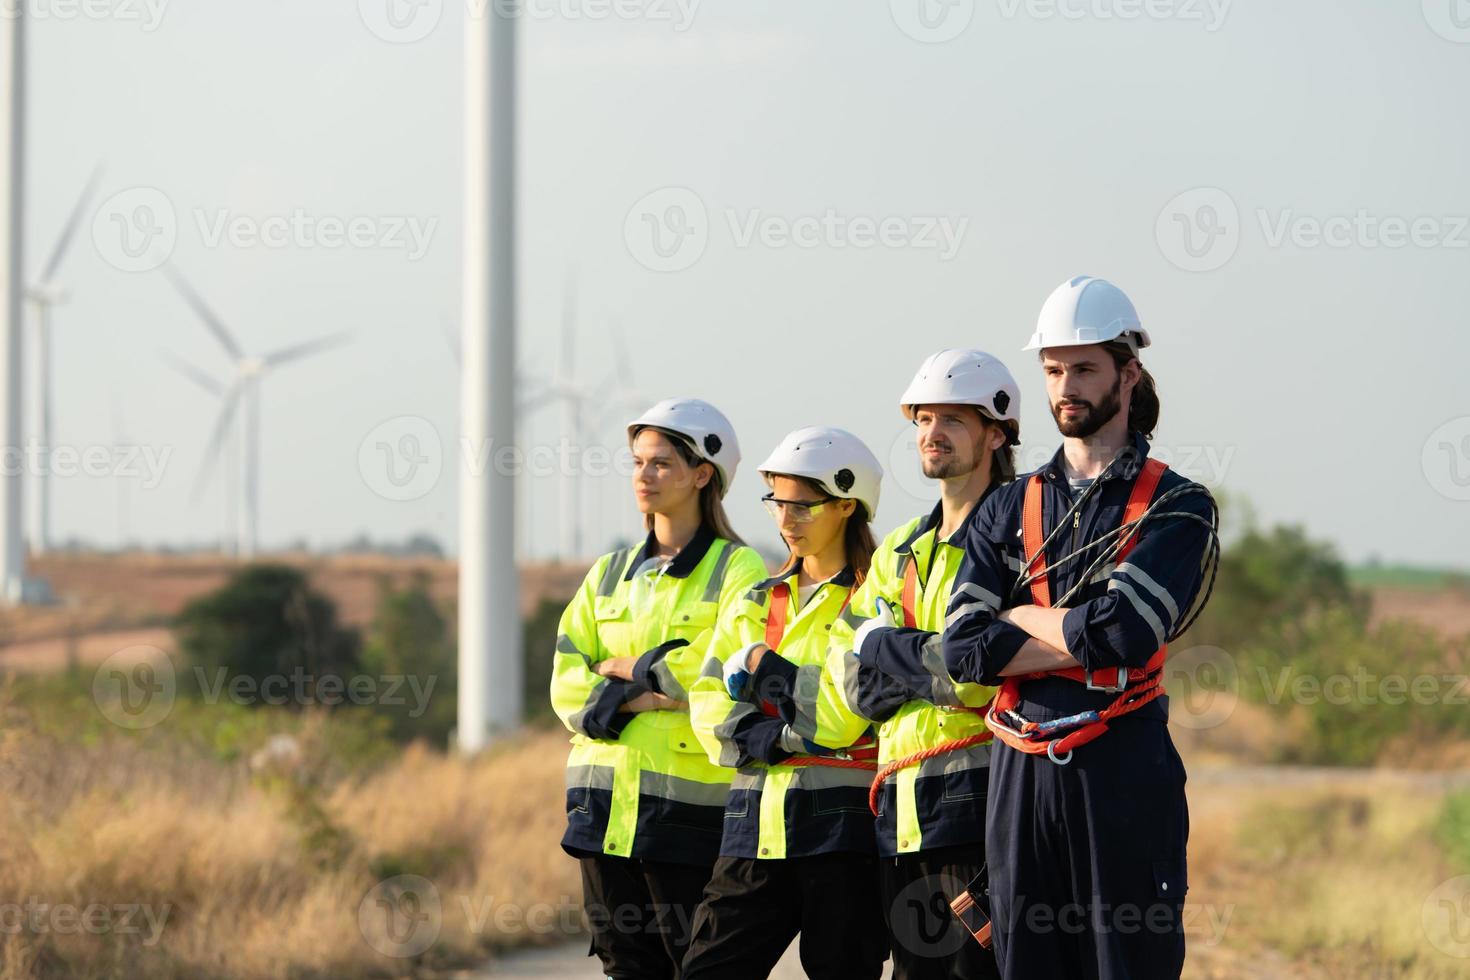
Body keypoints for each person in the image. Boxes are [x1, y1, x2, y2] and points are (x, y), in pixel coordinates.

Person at [935, 277, 1219, 978]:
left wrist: (1021, 614)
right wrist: (1074, 634)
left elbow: (1126, 632)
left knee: (1125, 964)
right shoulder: (1005, 507)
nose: (1067, 386)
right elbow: (965, 649)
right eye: (1054, 369)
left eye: (1085, 368)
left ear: (1129, 373)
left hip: (1120, 770)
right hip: (1019, 780)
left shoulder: (1179, 506)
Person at [549, 397, 769, 980]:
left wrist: (618, 672)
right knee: (626, 968)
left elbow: (713, 671)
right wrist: (646, 689)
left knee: (692, 966)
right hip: (600, 811)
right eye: (638, 462)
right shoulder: (608, 572)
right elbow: (566, 682)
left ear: (703, 475)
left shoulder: (738, 569)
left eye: (661, 464)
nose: (642, 476)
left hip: (688, 816)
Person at [823, 350, 1021, 979]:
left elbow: (974, 675)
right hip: (903, 814)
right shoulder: (902, 548)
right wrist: (917, 660)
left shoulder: (1022, 537)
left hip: (981, 809)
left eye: (952, 420)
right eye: (923, 418)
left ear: (996, 432)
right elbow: (850, 680)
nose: (931, 434)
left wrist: (885, 645)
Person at [681, 426, 889, 980]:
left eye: (802, 505)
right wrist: (783, 729)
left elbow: (850, 710)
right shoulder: (756, 598)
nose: (784, 520)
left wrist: (762, 690)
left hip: (845, 836)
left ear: (847, 505)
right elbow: (706, 702)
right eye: (776, 501)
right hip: (754, 827)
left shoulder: (877, 599)